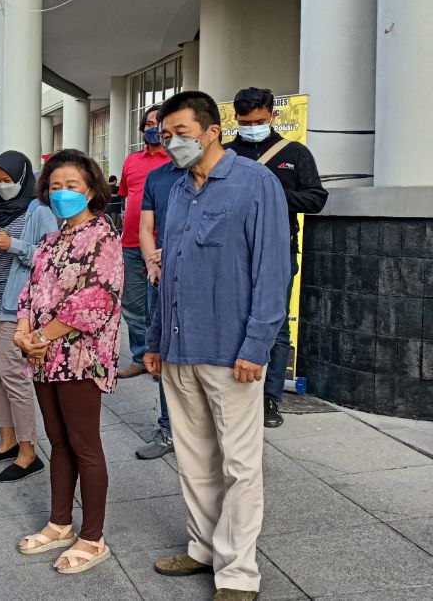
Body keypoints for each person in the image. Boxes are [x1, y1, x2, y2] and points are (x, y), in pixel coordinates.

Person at [144, 91, 289, 601]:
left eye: (181, 132)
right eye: (165, 135)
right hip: (181, 349)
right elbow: (169, 271)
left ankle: (237, 573)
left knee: (240, 466)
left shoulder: (256, 184)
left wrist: (257, 346)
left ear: (211, 131)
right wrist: (156, 339)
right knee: (194, 458)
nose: (172, 142)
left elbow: (274, 270)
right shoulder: (179, 189)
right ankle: (203, 548)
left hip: (233, 352)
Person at [12, 149, 122, 574]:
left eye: (71, 186)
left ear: (91, 190)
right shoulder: (50, 240)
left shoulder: (103, 236)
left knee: (85, 445)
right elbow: (30, 291)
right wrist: (24, 332)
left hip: (79, 358)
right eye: (55, 187)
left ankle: (93, 537)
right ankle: (60, 522)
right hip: (42, 356)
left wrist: (39, 336)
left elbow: (93, 302)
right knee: (57, 441)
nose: (62, 193)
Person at [227, 87, 328, 428]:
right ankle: (232, 391)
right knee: (231, 319)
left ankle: (270, 398)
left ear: (272, 115)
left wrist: (271, 193)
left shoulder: (295, 154)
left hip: (279, 252)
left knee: (276, 324)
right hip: (231, 253)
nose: (251, 126)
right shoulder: (225, 154)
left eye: (258, 120)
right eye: (245, 121)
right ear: (235, 119)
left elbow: (316, 199)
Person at [0, 150, 57, 482]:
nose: (3, 186)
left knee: (14, 377)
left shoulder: (40, 212)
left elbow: (50, 259)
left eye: (9, 181)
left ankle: (28, 451)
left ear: (23, 179)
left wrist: (14, 245)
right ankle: (6, 441)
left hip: (16, 308)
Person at [134, 155, 189, 460]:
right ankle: (168, 427)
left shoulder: (223, 177)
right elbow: (146, 227)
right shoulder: (157, 177)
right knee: (164, 352)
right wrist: (151, 264)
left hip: (203, 282)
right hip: (163, 275)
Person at [116, 106, 171, 380]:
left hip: (161, 244)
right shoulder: (131, 161)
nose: (154, 128)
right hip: (130, 243)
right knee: (133, 304)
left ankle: (159, 357)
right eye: (149, 123)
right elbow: (127, 195)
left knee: (158, 304)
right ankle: (140, 356)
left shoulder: (174, 161)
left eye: (159, 123)